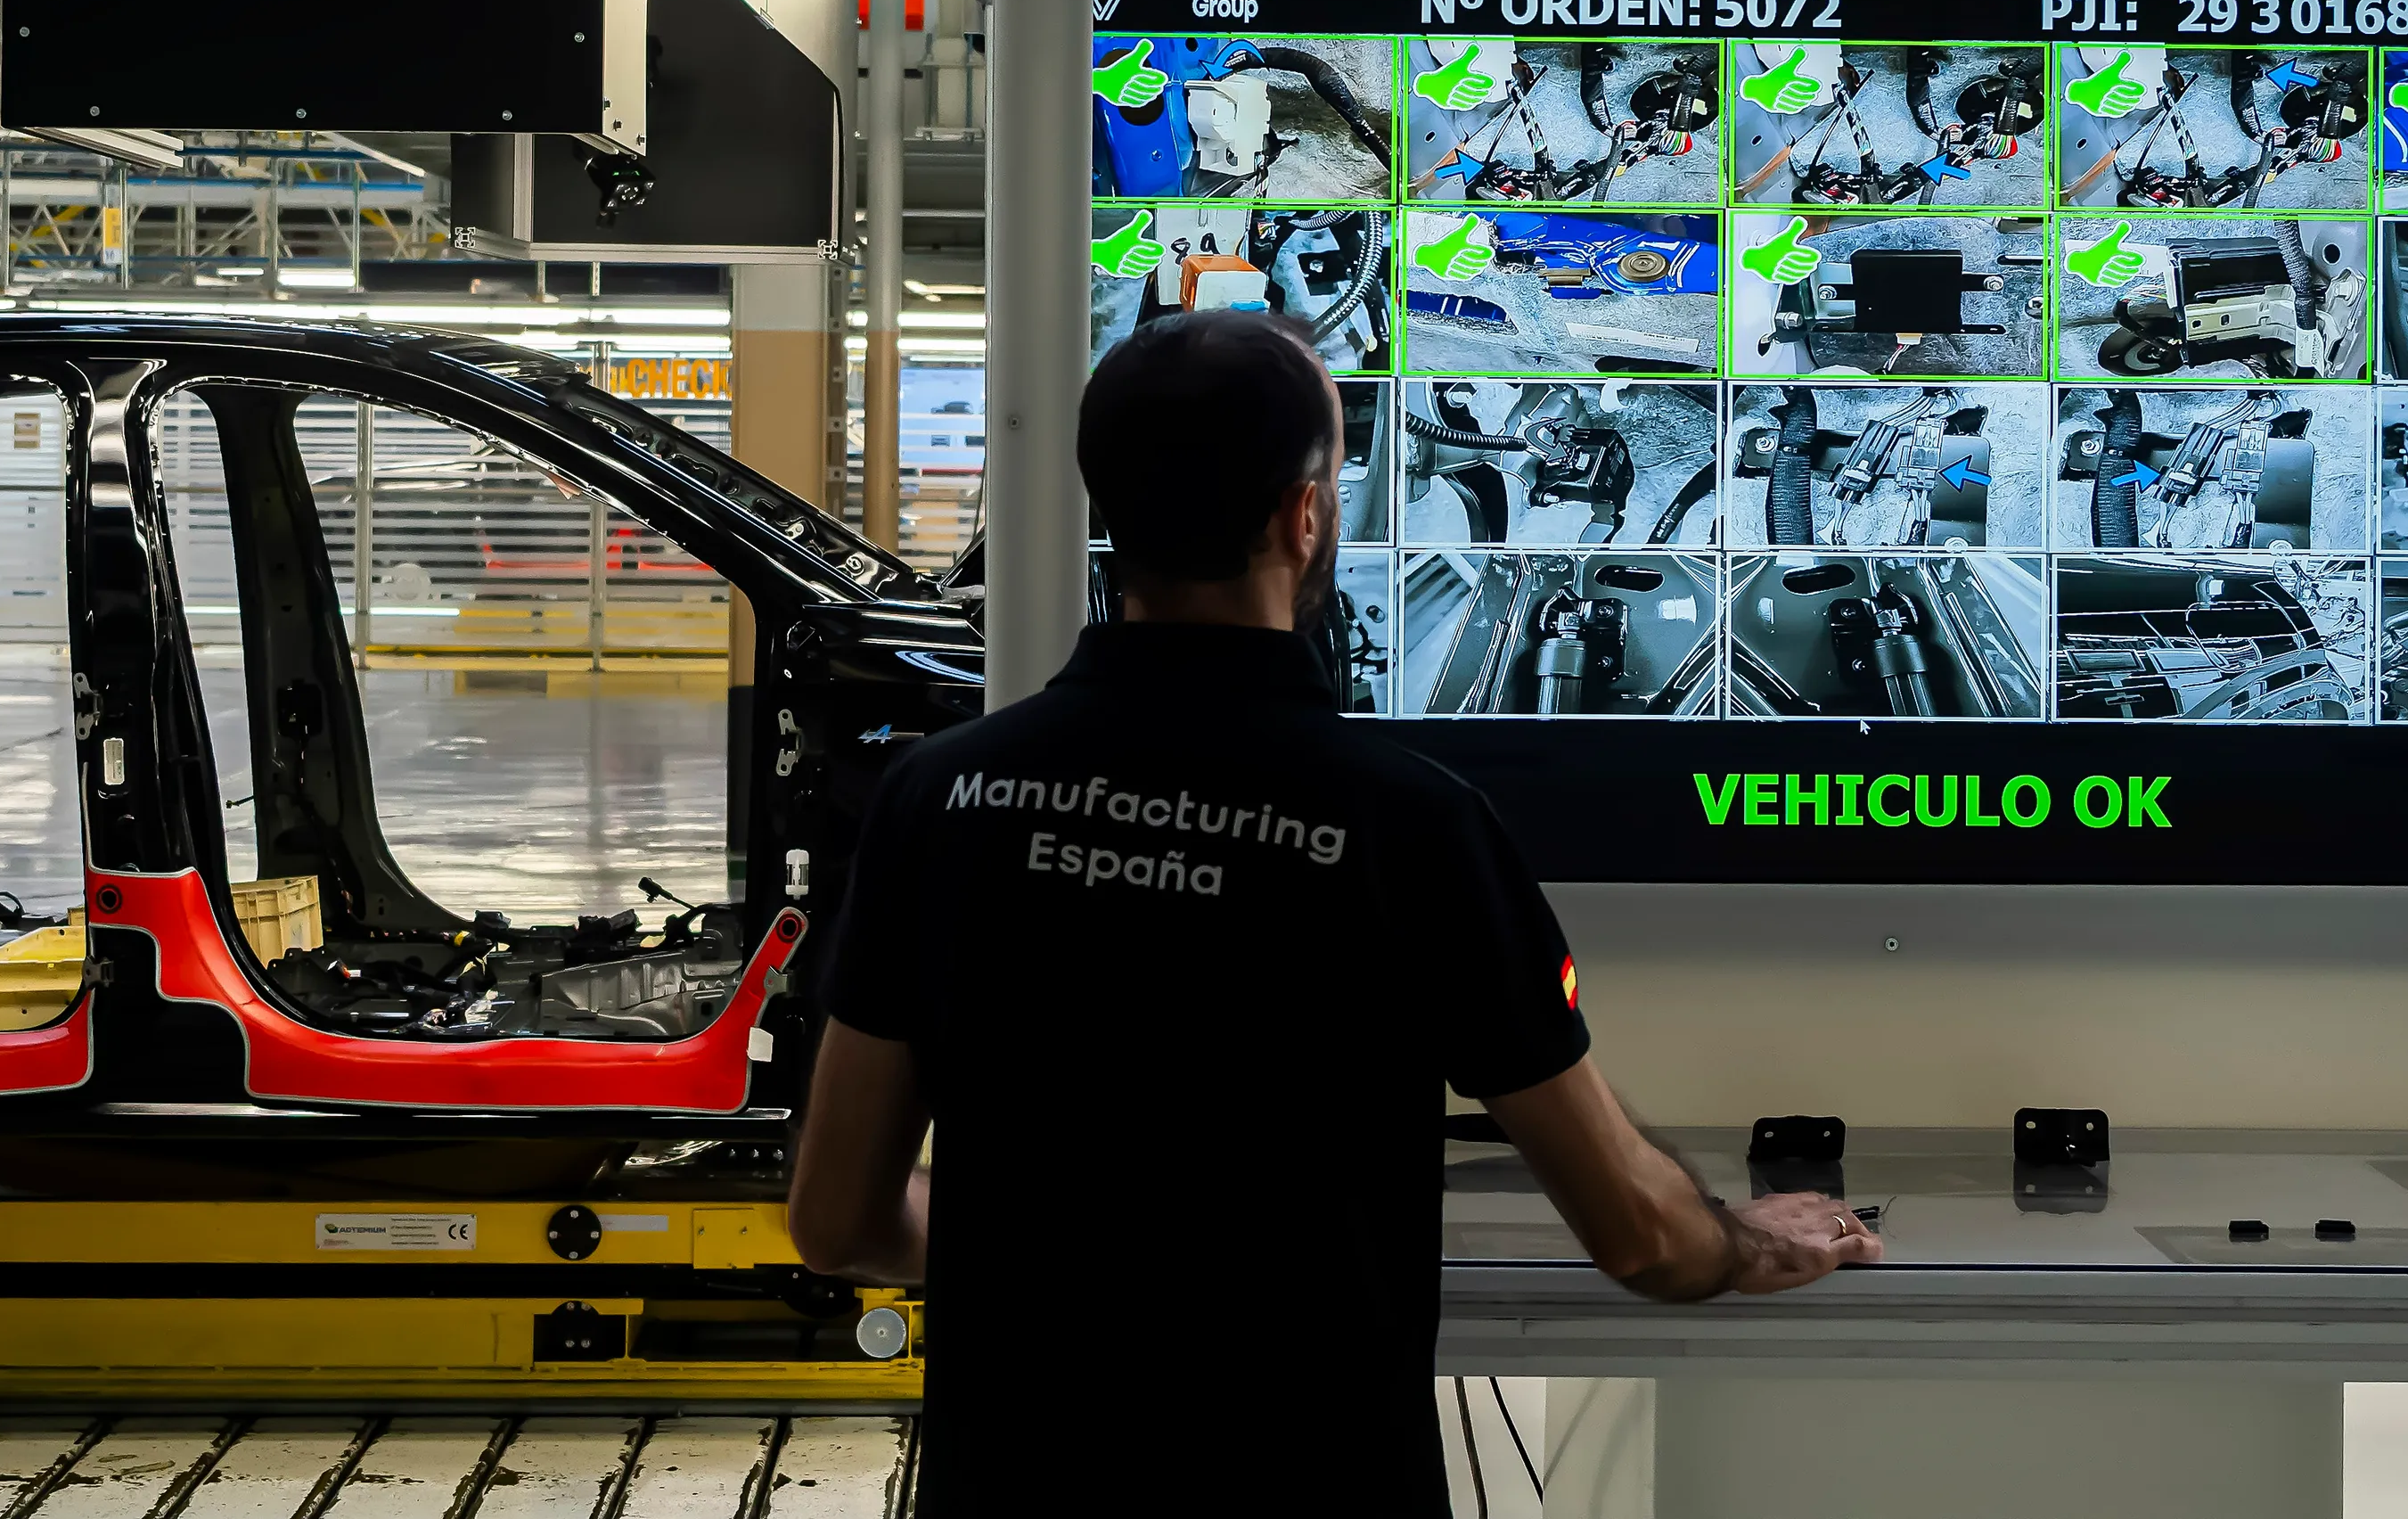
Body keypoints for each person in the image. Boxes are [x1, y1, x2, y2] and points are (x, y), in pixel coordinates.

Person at [788, 309, 1880, 1513]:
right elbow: (1640, 1234)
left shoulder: (940, 798)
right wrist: (1753, 1238)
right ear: (1304, 517)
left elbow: (836, 1219)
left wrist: (1052, 1250)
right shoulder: (1411, 825)